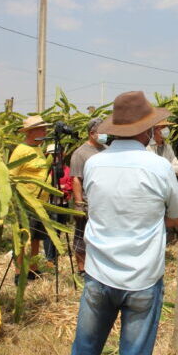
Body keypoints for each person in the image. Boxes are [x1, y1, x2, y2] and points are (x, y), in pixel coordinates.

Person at [67, 91, 178, 355]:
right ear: (146, 129)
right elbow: (177, 216)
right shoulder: (159, 167)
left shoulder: (94, 163)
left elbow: (98, 206)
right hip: (142, 277)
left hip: (98, 273)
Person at [9, 115, 52, 283]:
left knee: (36, 237)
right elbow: (11, 175)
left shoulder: (39, 149)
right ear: (31, 132)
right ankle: (20, 272)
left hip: (40, 203)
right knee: (24, 238)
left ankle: (32, 269)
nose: (45, 131)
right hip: (25, 203)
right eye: (42, 129)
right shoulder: (21, 150)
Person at [69, 117, 106, 273]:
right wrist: (79, 203)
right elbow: (76, 179)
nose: (105, 135)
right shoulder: (80, 153)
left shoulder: (106, 149)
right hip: (87, 202)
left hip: (103, 202)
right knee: (81, 235)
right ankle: (82, 269)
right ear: (92, 133)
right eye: (102, 132)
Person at [43, 144, 73, 264]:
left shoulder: (67, 170)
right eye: (52, 155)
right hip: (50, 203)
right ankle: (49, 257)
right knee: (49, 231)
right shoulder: (46, 171)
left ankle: (54, 254)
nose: (55, 157)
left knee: (58, 229)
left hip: (63, 204)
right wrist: (59, 188)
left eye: (57, 155)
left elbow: (70, 185)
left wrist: (59, 188)